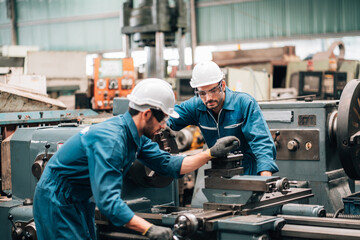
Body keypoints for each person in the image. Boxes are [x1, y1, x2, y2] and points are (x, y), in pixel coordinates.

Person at [33, 78, 239, 240]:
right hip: (56, 200)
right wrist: (149, 229)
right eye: (163, 118)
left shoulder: (135, 135)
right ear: (147, 114)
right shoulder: (112, 142)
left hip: (78, 199)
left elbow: (168, 164)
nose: (165, 126)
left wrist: (211, 152)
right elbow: (109, 204)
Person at [167, 61, 279, 176]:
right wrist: (164, 126)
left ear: (223, 85)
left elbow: (261, 142)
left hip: (248, 172)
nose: (208, 98)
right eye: (202, 93)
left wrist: (265, 179)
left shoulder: (244, 103)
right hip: (218, 173)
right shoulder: (196, 106)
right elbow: (169, 117)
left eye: (213, 91)